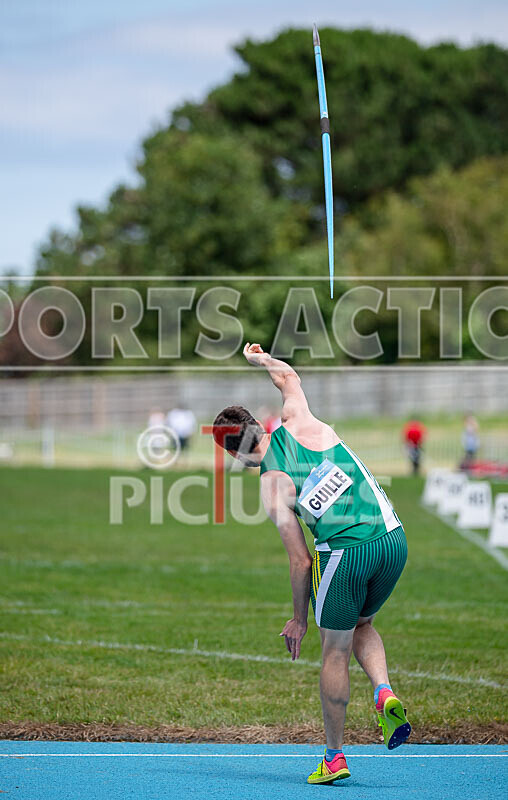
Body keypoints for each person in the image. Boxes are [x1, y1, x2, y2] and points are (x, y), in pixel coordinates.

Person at [213, 343, 410, 786]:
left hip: (347, 552)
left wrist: (300, 619)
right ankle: (384, 691)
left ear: (232, 452)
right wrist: (260, 359)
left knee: (333, 649)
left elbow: (301, 561)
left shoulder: (271, 486)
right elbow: (288, 377)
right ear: (256, 426)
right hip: (393, 536)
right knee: (363, 623)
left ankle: (335, 757)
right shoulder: (296, 417)